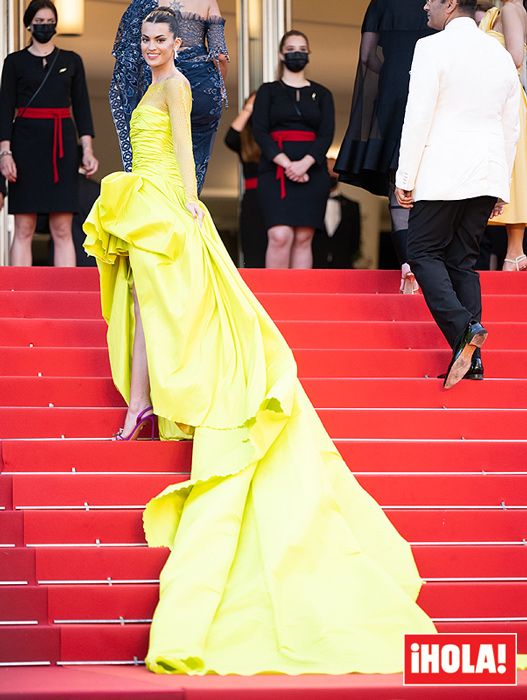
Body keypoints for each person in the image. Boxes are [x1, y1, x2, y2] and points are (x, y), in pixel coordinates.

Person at [83, 7, 436, 675]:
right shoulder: (143, 81)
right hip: (142, 201)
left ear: (174, 44)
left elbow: (188, 156)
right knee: (137, 304)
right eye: (148, 41)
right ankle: (142, 401)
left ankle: (161, 397)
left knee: (165, 307)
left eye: (162, 40)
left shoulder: (178, 82)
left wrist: (192, 207)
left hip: (168, 208)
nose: (155, 49)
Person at [395, 0, 520, 390]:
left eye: (431, 0)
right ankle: (474, 362)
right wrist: (501, 183)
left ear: (450, 4)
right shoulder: (499, 54)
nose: (425, 6)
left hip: (441, 172)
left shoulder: (431, 47)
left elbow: (418, 115)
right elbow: (510, 125)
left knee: (422, 252)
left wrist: (405, 175)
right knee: (463, 262)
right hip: (485, 172)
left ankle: (466, 329)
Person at [335, 1, 435, 293]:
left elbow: (367, 56)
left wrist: (392, 69)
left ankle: (408, 265)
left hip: (392, 97)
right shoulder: (437, 5)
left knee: (398, 179)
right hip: (430, 93)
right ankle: (432, 265)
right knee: (430, 179)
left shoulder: (380, 3)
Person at [0, 0, 98, 267]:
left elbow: (82, 108)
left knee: (63, 227)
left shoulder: (71, 60)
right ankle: (17, 294)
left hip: (62, 148)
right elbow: (5, 109)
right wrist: (5, 153)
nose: (45, 26)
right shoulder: (14, 62)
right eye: (40, 22)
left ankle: (64, 296)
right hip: (24, 146)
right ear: (29, 25)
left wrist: (87, 150)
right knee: (23, 226)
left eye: (50, 22)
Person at [111, 0, 228, 194]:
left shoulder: (146, 3)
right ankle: (188, 201)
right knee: (194, 154)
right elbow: (220, 56)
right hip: (202, 88)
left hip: (162, 81)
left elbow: (132, 53)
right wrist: (219, 88)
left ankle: (165, 203)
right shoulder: (207, 2)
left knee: (158, 151)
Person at [252, 31, 335, 269]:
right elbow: (260, 131)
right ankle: (274, 302)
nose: (296, 54)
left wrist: (305, 163)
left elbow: (326, 134)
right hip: (275, 171)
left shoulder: (323, 94)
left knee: (303, 237)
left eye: (301, 49)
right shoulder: (267, 91)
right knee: (279, 235)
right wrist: (288, 164)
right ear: (281, 54)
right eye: (290, 49)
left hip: (313, 172)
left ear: (308, 54)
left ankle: (300, 301)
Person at [480, 0, 527, 271]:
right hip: (499, 100)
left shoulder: (510, 9)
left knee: (511, 171)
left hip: (506, 102)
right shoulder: (499, 10)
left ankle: (514, 252)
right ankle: (515, 252)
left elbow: (516, 58)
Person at [224, 93, 267, 267]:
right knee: (253, 247)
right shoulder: (245, 137)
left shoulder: (274, 132)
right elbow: (230, 138)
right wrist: (249, 108)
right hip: (253, 200)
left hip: (278, 197)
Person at [313, 158, 362, 269]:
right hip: (315, 267)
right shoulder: (311, 204)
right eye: (327, 170)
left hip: (342, 267)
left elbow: (355, 241)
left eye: (334, 170)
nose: (331, 174)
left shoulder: (352, 206)